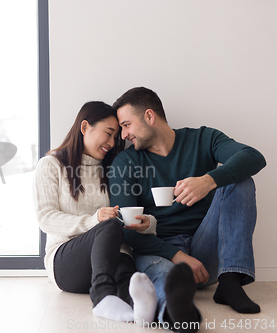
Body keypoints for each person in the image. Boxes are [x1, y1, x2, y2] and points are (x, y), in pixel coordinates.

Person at [109, 87, 266, 332]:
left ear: (149, 116)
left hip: (207, 249)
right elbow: (127, 229)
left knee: (241, 180)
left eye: (127, 125)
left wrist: (209, 181)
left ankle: (230, 280)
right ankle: (176, 312)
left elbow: (253, 157)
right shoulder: (126, 163)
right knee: (164, 275)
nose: (123, 135)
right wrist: (177, 255)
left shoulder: (203, 139)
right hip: (159, 250)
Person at [33, 101, 158, 325]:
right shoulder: (51, 165)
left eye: (116, 138)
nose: (111, 143)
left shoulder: (113, 169)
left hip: (113, 257)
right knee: (107, 227)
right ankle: (102, 297)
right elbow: (46, 218)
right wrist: (94, 220)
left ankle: (140, 307)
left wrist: (148, 223)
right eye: (108, 134)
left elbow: (131, 211)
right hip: (66, 263)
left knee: (126, 272)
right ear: (84, 127)